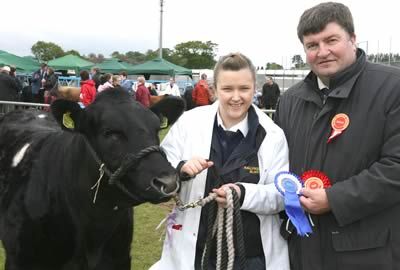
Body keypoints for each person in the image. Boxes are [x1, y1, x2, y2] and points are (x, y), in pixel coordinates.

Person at [275, 2, 400, 270]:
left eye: (331, 40)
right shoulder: (289, 101)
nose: (322, 52)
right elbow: (274, 167)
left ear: (353, 39)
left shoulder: (393, 87)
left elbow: (396, 167)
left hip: (369, 254)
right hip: (301, 249)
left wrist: (335, 199)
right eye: (312, 45)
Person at [150, 52, 290, 270]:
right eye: (227, 89)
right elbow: (158, 169)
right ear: (214, 91)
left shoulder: (273, 135)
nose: (236, 97)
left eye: (244, 89)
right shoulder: (188, 123)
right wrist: (181, 170)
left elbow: (281, 195)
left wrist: (244, 194)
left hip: (253, 257)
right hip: (195, 255)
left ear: (254, 88)